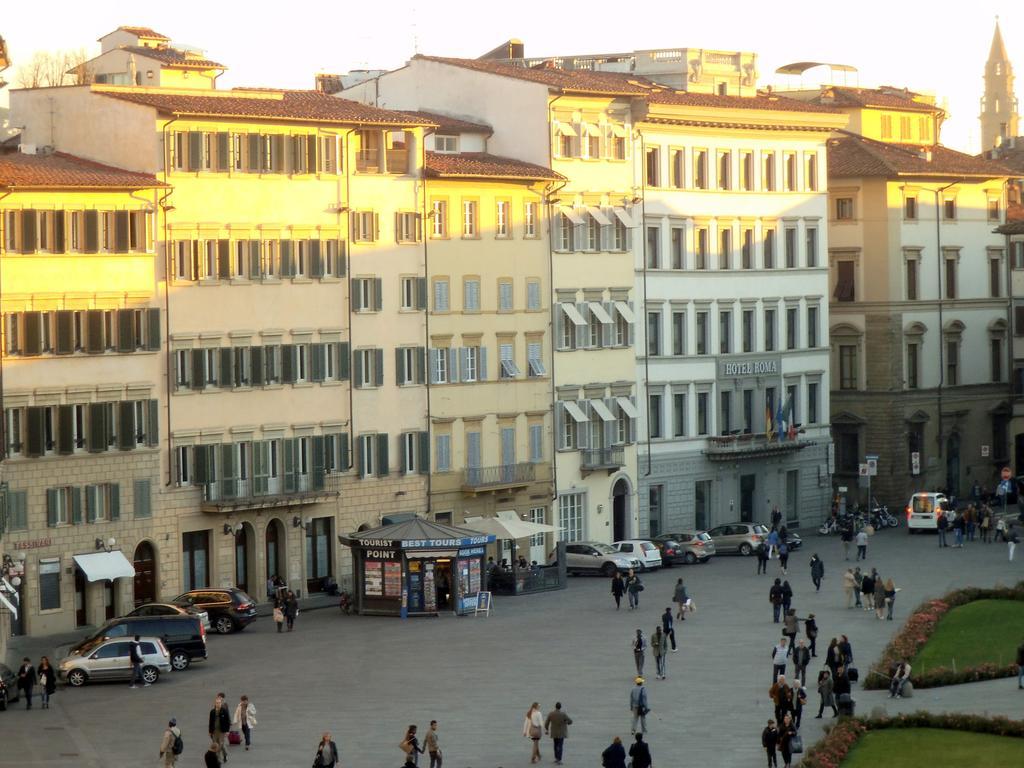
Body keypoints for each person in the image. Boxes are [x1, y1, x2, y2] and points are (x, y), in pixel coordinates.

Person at [208, 693, 231, 764]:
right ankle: (225, 755)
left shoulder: (224, 711)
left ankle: (218, 758)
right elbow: (210, 722)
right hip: (214, 731)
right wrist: (210, 731)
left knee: (220, 744)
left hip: (222, 731)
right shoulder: (212, 712)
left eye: (219, 703)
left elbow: (228, 721)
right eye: (216, 703)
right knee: (215, 744)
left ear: (221, 703)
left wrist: (227, 731)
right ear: (215, 703)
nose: (217, 704)